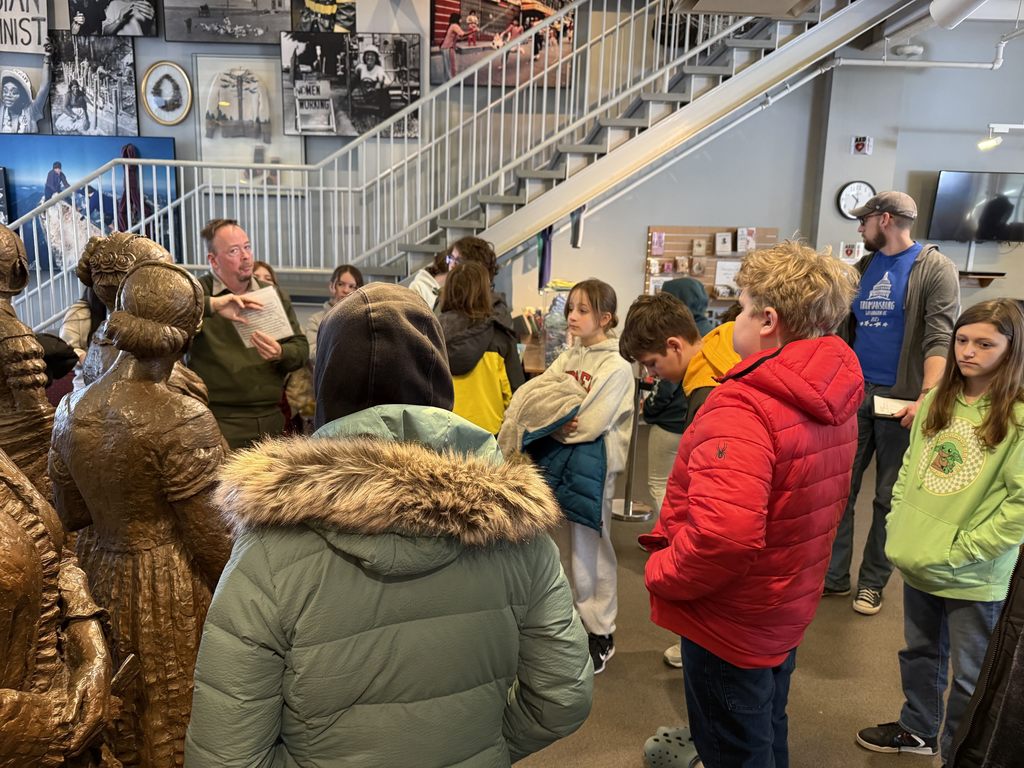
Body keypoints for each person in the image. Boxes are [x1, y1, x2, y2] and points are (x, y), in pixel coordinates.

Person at [185, 283, 593, 766]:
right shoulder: (516, 528)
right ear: (439, 382)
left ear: (327, 389)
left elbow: (226, 754)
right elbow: (563, 697)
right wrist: (491, 745)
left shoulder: (268, 549)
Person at [640, 242, 863, 767]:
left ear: (767, 320)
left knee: (734, 746)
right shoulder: (832, 392)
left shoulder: (744, 405)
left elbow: (722, 536)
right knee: (764, 728)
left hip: (731, 618)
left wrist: (660, 571)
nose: (730, 322)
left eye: (739, 308)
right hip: (783, 601)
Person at [49, 260, 233, 766]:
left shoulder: (72, 407)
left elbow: (70, 511)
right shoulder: (182, 416)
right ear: (183, 337)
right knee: (167, 716)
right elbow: (215, 545)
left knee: (114, 712)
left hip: (96, 568)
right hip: (166, 577)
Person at [855, 299, 1024, 763]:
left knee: (971, 676)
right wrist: (898, 526)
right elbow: (912, 467)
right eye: (962, 340)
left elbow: (1019, 507)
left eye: (985, 343)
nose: (968, 352)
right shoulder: (936, 398)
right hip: (920, 558)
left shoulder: (1017, 417)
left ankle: (959, 754)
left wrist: (962, 551)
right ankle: (917, 730)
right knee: (921, 653)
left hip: (973, 575)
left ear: (1012, 350)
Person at [825, 191, 960, 616]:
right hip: (854, 394)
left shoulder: (935, 268)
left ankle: (872, 583)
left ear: (884, 220)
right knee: (839, 491)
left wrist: (927, 396)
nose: (859, 229)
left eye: (863, 221)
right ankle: (833, 577)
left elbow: (941, 337)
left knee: (887, 497)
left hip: (902, 401)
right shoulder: (864, 268)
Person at [500, 279, 634, 674]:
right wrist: (556, 419)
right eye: (570, 308)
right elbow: (535, 400)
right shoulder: (568, 356)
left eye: (582, 310)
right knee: (556, 545)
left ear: (604, 318)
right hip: (557, 461)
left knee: (591, 549)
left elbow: (587, 426)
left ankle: (600, 631)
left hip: (594, 470)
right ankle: (567, 624)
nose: (571, 317)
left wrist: (554, 420)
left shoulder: (617, 367)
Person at [619, 288, 740, 671]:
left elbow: (714, 508)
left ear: (674, 345)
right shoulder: (720, 346)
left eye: (653, 364)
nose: (653, 374)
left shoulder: (707, 396)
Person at [186, 218, 309, 450]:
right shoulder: (195, 292)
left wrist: (281, 352)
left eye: (247, 247)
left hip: (270, 417)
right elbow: (168, 312)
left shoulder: (272, 295)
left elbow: (301, 349)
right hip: (219, 420)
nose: (245, 256)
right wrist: (213, 305)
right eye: (234, 250)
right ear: (213, 260)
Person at [641, 278, 711, 514]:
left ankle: (667, 538)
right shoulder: (712, 335)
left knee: (661, 483)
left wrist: (649, 410)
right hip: (694, 424)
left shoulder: (677, 342)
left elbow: (665, 388)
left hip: (671, 423)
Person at [438, 261, 525, 434]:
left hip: (441, 431)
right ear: (486, 292)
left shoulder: (431, 333)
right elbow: (516, 395)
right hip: (489, 435)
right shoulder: (501, 336)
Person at [306, 264, 364, 361]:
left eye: (351, 286)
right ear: (332, 286)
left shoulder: (363, 320)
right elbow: (312, 354)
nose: (346, 290)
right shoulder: (316, 320)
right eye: (340, 284)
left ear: (358, 290)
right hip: (326, 373)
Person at [0, 56, 50, 134]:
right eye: (5, 91)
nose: (8, 95)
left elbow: (45, 87)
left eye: (14, 92)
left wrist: (47, 59)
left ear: (23, 96)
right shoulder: (1, 109)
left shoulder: (31, 111)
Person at [441, 12, 467, 80]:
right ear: (457, 19)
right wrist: (473, 31)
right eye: (460, 18)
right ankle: (451, 82)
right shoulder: (455, 25)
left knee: (448, 67)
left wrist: (470, 33)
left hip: (447, 48)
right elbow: (462, 34)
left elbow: (460, 37)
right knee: (450, 67)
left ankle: (449, 81)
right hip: (448, 48)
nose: (461, 20)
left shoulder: (452, 25)